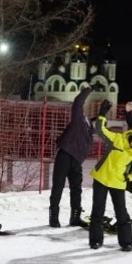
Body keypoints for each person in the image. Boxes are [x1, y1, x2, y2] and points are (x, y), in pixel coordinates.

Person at [88, 101, 132, 251]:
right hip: (101, 178)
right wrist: (102, 114)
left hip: (118, 182)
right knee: (97, 210)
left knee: (121, 212)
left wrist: (129, 177)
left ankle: (126, 242)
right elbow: (100, 130)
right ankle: (95, 241)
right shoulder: (117, 139)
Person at [49, 87, 94, 228]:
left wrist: (104, 111)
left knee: (76, 189)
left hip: (76, 161)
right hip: (65, 155)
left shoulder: (89, 132)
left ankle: (75, 217)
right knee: (58, 186)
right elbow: (77, 103)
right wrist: (88, 90)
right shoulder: (78, 121)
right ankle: (54, 217)